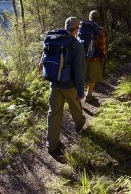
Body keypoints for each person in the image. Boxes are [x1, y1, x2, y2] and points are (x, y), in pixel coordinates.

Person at [46, 17, 86, 154]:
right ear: (76, 30)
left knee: (53, 114)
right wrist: (81, 92)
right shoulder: (77, 45)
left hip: (54, 84)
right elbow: (79, 70)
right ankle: (80, 125)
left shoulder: (53, 40)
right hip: (69, 85)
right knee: (75, 107)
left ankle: (51, 145)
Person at [84, 10, 107, 102]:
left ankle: (77, 98)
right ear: (98, 18)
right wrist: (104, 59)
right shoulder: (100, 30)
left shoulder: (81, 28)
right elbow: (103, 47)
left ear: (89, 17)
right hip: (94, 59)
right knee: (92, 78)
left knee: (81, 77)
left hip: (82, 58)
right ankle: (88, 95)